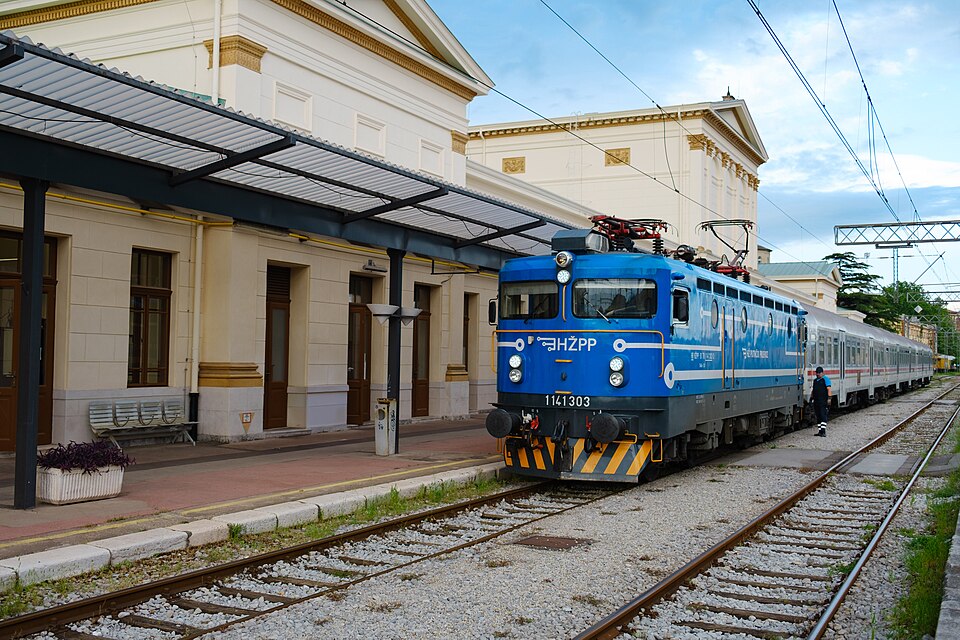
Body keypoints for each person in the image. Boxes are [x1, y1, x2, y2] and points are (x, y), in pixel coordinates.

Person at [811, 366, 832, 437]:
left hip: (823, 401)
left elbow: (829, 389)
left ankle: (823, 431)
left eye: (819, 373)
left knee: (823, 415)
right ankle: (820, 431)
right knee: (818, 416)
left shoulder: (825, 379)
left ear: (822, 373)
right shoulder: (815, 381)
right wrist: (811, 397)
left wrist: (829, 399)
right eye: (816, 373)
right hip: (816, 401)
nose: (817, 374)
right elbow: (813, 390)